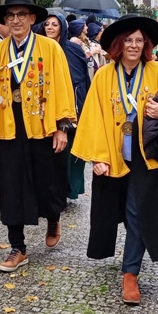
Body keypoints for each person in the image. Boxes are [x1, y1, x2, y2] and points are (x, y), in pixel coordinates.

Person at [72, 15, 158, 305]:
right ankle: (130, 259)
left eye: (139, 40)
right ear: (118, 44)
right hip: (112, 154)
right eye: (128, 40)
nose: (134, 45)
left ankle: (130, 273)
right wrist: (96, 157)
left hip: (147, 157)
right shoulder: (103, 76)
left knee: (138, 212)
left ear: (146, 44)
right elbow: (93, 116)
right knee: (116, 212)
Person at [0, 0, 76, 272]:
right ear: (5, 21)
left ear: (32, 18)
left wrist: (62, 127)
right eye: (10, 16)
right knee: (11, 185)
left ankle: (52, 217)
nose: (15, 20)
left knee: (48, 181)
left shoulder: (50, 48)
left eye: (21, 15)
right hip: (9, 127)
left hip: (42, 125)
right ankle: (17, 246)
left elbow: (64, 87)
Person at [38, 12, 91, 200]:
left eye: (54, 24)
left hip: (71, 105)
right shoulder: (37, 49)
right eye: (47, 24)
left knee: (70, 150)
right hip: (44, 106)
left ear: (62, 27)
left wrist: (83, 106)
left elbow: (82, 80)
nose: (50, 27)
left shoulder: (74, 50)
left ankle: (69, 188)